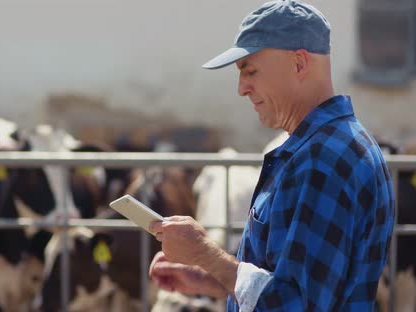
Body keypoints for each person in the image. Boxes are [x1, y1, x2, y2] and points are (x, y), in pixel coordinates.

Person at [148, 1, 395, 311]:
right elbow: (293, 283)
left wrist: (205, 254)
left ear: (300, 64)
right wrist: (209, 279)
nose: (241, 88)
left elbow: (295, 305)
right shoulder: (331, 146)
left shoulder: (324, 160)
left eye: (250, 71)